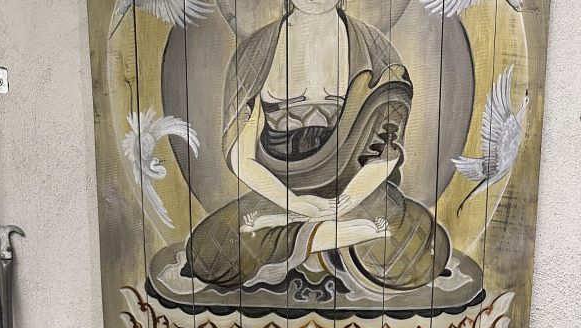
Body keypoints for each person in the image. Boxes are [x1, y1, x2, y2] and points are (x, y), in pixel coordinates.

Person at [172, 0, 450, 295]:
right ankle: (331, 237)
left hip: (354, 192)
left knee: (424, 244)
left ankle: (306, 237)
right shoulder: (255, 53)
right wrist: (295, 203)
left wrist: (344, 202)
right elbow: (243, 158)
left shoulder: (375, 49)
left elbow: (385, 151)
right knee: (208, 251)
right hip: (280, 194)